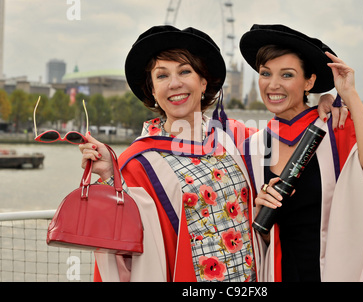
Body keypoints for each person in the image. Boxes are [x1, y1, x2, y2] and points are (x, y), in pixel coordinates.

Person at [79, 25, 341, 282]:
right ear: (152, 90)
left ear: (203, 83)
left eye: (185, 71)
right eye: (162, 76)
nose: (174, 84)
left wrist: (324, 106)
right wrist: (110, 178)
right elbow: (121, 249)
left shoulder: (237, 138)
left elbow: (291, 133)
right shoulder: (137, 162)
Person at [239, 24, 363, 282]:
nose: (273, 84)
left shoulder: (335, 128)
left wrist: (348, 95)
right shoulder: (254, 145)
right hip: (281, 272)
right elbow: (263, 233)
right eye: (265, 73)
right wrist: (262, 220)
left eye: (287, 75)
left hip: (336, 271)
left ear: (309, 81)